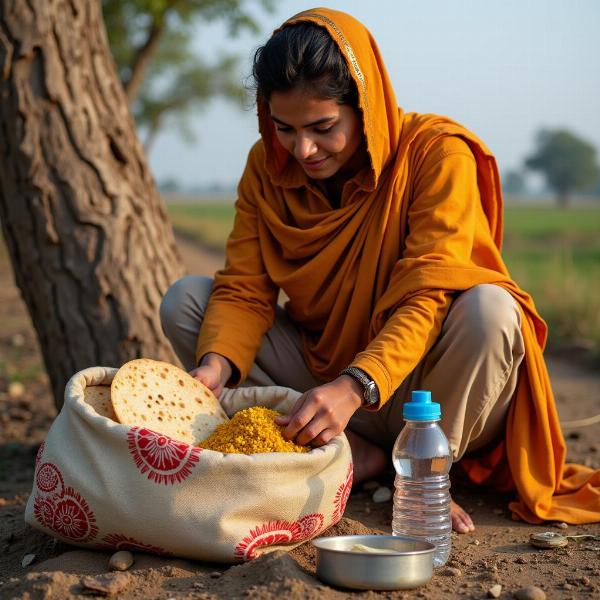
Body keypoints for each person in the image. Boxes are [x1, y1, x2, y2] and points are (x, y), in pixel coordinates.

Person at [160, 8, 600, 532]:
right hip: (322, 382)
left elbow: (429, 295)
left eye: (323, 128)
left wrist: (355, 386)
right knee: (187, 300)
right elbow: (245, 289)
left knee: (492, 309)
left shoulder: (437, 154)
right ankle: (360, 452)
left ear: (364, 108)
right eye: (285, 129)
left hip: (428, 394)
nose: (303, 149)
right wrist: (214, 370)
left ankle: (424, 475)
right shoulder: (266, 168)